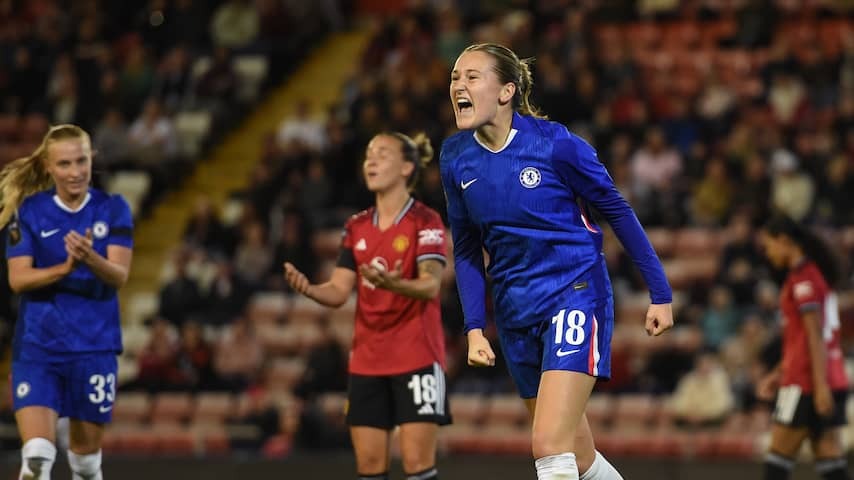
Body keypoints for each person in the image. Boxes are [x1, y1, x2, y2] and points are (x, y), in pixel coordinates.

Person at [440, 43, 674, 480]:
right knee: (578, 458)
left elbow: (617, 211)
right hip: (514, 313)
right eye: (455, 77)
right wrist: (474, 328)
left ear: (506, 90)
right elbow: (467, 246)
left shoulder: (556, 145)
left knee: (549, 446)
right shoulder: (455, 157)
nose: (458, 86)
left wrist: (659, 293)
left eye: (472, 76)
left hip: (574, 293)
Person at [284, 131, 449, 480]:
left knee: (418, 464)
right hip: (367, 361)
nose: (370, 161)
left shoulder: (426, 221)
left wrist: (394, 284)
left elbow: (431, 284)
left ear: (407, 167)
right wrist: (311, 289)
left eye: (382, 154)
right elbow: (340, 290)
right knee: (370, 467)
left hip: (416, 355)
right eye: (368, 155)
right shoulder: (356, 226)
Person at [2, 124, 134, 480]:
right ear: (48, 166)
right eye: (65, 164)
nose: (75, 172)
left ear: (91, 160)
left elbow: (119, 275)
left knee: (86, 462)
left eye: (81, 162)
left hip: (93, 346)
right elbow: (18, 279)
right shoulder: (28, 212)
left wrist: (90, 259)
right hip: (39, 347)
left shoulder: (114, 209)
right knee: (37, 455)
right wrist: (64, 268)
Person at [756, 214, 849, 480]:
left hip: (806, 383)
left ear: (785, 242)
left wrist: (819, 387)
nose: (768, 252)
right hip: (831, 378)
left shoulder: (802, 280)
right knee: (831, 462)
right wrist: (778, 372)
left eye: (769, 245)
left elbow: (814, 336)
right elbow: (803, 340)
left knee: (776, 461)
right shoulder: (816, 275)